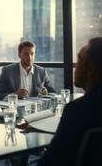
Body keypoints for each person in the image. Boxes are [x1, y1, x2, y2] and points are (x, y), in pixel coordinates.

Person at [38, 37, 102, 166]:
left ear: (90, 69)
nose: (74, 66)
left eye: (79, 60)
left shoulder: (77, 111)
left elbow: (51, 162)